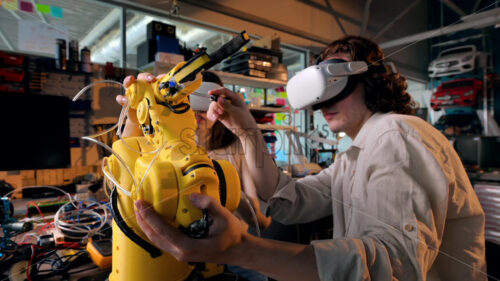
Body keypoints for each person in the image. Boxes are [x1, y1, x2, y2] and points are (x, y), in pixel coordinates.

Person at [133, 36, 487, 281]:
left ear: (372, 79)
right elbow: (288, 200)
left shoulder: (396, 133)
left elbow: (397, 266)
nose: (323, 98)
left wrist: (243, 250)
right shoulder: (355, 153)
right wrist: (247, 132)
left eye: (334, 76)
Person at [117, 71, 271, 281]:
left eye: (206, 100)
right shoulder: (160, 146)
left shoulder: (236, 148)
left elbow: (261, 221)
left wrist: (225, 191)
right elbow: (124, 164)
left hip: (227, 250)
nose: (198, 111)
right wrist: (135, 113)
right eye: (189, 100)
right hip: (171, 252)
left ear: (220, 105)